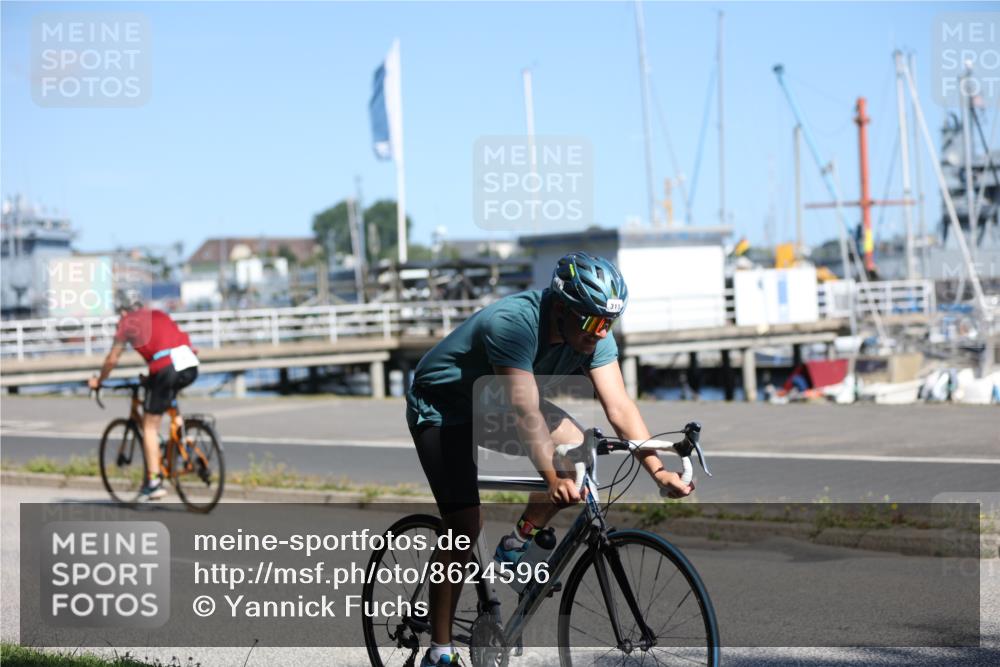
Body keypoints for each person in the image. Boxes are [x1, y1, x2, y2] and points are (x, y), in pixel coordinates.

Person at [405, 252, 695, 666]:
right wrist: (550, 475)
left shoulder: (595, 332)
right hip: (443, 409)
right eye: (594, 322)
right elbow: (526, 413)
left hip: (493, 402)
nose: (601, 332)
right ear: (561, 308)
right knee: (464, 527)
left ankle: (516, 546)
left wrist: (659, 471)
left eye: (609, 322)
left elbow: (620, 407)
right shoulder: (514, 325)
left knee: (580, 450)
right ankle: (440, 649)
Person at [88, 289, 200, 502]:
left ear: (122, 312)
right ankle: (183, 439)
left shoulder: (127, 322)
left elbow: (112, 359)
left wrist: (99, 381)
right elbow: (169, 343)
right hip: (189, 362)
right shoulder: (158, 314)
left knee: (149, 426)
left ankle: (154, 482)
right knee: (169, 392)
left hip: (166, 366)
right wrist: (152, 377)